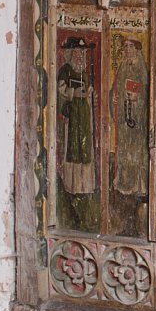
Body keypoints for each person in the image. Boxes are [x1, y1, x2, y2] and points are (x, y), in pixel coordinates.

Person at [111, 36, 149, 205]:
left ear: (137, 49)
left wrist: (137, 97)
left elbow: (146, 92)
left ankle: (139, 186)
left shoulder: (141, 68)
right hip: (124, 117)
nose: (127, 49)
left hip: (137, 118)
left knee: (137, 151)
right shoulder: (123, 66)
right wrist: (115, 97)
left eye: (130, 46)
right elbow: (117, 88)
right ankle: (125, 185)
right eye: (125, 46)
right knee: (124, 150)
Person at [57, 35, 96, 195]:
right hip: (72, 114)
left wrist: (90, 94)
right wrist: (74, 93)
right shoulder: (65, 70)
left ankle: (85, 187)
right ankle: (72, 186)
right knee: (73, 148)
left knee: (85, 149)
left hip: (84, 114)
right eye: (77, 52)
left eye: (82, 52)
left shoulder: (84, 73)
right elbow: (60, 90)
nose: (80, 55)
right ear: (71, 53)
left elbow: (88, 91)